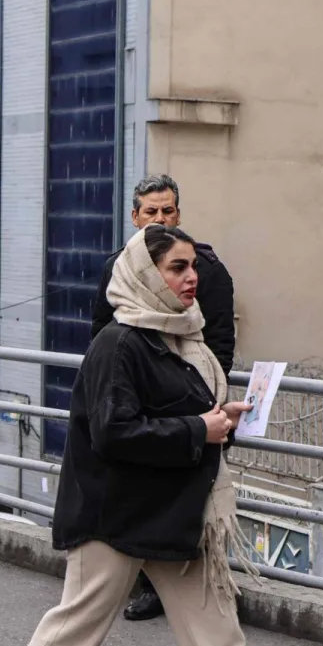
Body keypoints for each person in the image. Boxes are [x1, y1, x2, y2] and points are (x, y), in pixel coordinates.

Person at [0, 225, 323, 646]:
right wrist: (200, 429)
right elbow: (114, 431)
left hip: (178, 516)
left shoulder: (183, 338)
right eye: (176, 268)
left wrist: (216, 417)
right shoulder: (120, 343)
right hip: (115, 515)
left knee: (220, 643)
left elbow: (171, 413)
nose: (190, 277)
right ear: (147, 276)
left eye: (191, 266)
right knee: (76, 626)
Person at [91, 173, 236, 622]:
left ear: (179, 214)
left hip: (192, 409)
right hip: (136, 409)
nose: (159, 218)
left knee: (189, 498)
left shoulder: (204, 269)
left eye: (167, 211)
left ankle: (191, 581)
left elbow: (221, 344)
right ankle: (146, 580)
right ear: (134, 217)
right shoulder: (118, 269)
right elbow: (101, 336)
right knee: (142, 498)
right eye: (150, 211)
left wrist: (205, 398)